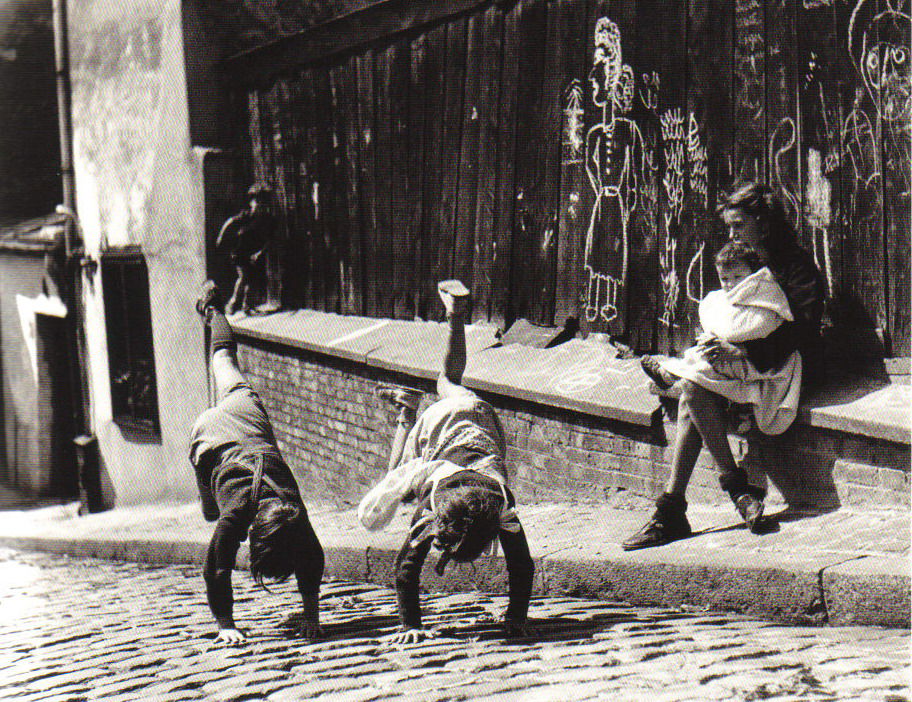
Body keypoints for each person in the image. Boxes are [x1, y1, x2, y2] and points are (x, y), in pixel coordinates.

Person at [623, 183, 825, 550]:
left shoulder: (795, 266)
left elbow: (804, 329)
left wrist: (744, 353)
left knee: (692, 392)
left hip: (776, 370)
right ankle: (726, 495)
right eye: (729, 227)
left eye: (738, 225)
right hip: (735, 369)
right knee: (694, 389)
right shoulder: (737, 261)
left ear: (763, 224)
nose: (731, 234)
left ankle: (681, 508)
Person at [357, 280, 535, 644]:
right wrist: (410, 625)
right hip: (446, 429)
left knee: (448, 380)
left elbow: (522, 566)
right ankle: (408, 414)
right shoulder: (444, 509)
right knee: (396, 479)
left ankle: (454, 321)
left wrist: (517, 614)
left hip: (476, 418)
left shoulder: (499, 506)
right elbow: (407, 567)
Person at [189, 281, 324, 645]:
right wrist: (225, 625)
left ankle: (213, 311)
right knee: (211, 516)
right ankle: (214, 311)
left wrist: (312, 617)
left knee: (223, 360)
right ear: (253, 533)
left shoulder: (293, 512)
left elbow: (310, 559)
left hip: (245, 415)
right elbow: (216, 567)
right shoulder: (242, 515)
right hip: (211, 439)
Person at [641, 240, 803, 437]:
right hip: (726, 358)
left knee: (699, 373)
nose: (731, 284)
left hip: (757, 363)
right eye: (725, 279)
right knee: (700, 359)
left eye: (738, 277)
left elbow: (752, 325)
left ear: (754, 274)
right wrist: (714, 339)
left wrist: (726, 339)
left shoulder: (765, 296)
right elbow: (717, 318)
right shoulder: (721, 298)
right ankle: (671, 375)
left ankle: (671, 374)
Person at [216, 183, 277, 315]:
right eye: (257, 202)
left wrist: (259, 253)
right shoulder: (246, 216)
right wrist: (221, 236)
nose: (259, 205)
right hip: (239, 252)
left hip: (252, 253)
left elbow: (269, 240)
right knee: (244, 277)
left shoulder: (267, 220)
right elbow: (230, 222)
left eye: (263, 202)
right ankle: (232, 304)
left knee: (251, 279)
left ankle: (247, 305)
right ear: (251, 203)